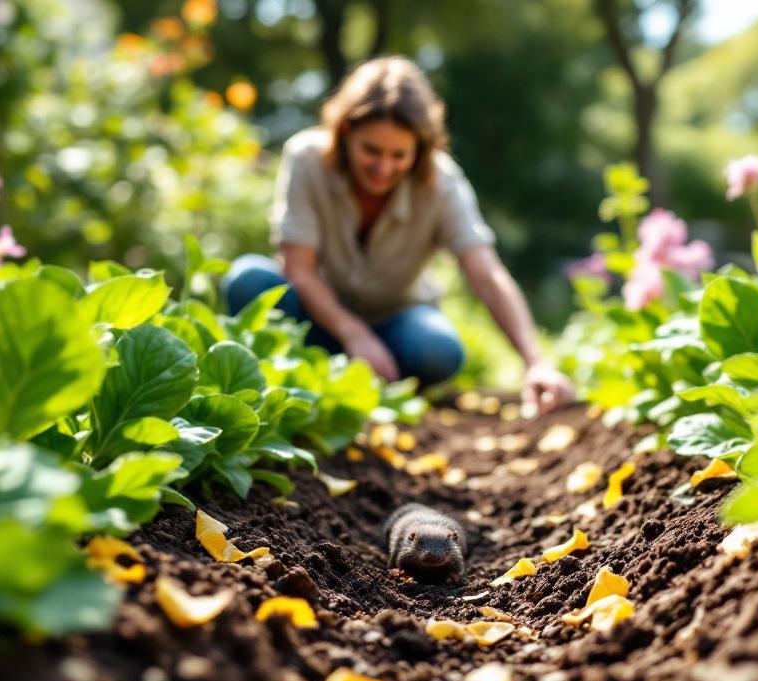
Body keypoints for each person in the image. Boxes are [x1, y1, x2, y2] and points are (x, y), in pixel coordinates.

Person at [223, 55, 574, 413]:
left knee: (439, 351)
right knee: (249, 281)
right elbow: (299, 268)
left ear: (420, 148)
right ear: (345, 132)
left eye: (399, 155)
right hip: (318, 318)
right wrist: (353, 333)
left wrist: (535, 361)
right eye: (371, 150)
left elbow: (486, 273)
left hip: (395, 324)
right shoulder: (307, 158)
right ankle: (296, 386)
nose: (383, 168)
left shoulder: (442, 183)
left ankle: (384, 389)